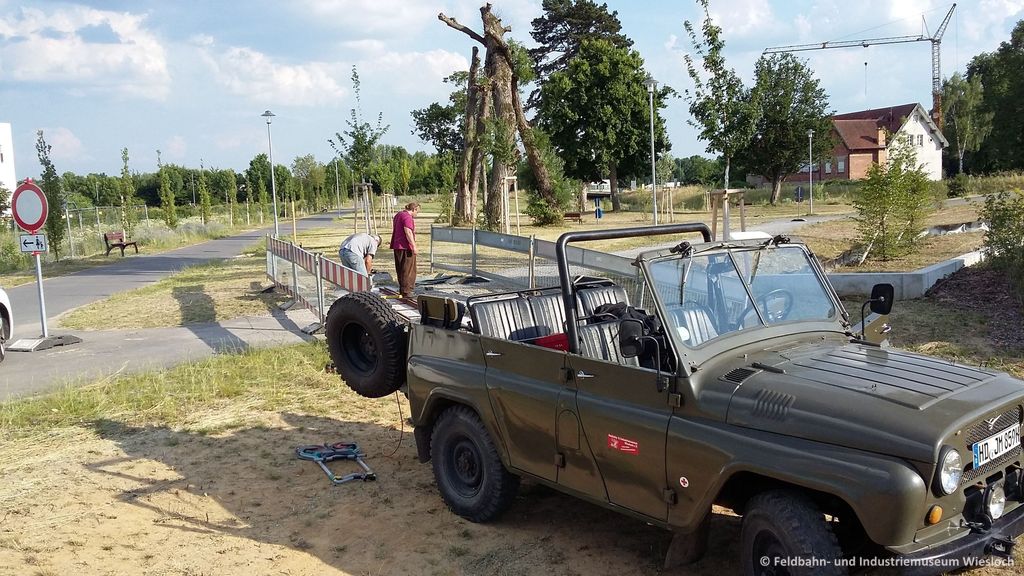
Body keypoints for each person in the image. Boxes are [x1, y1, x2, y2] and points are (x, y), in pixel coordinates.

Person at [390, 201, 420, 297]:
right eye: (417, 212)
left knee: (400, 268)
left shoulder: (398, 215)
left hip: (397, 245)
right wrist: (414, 246)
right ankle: (407, 291)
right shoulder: (407, 217)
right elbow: (408, 231)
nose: (417, 214)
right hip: (406, 246)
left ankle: (402, 289)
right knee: (408, 269)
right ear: (414, 209)